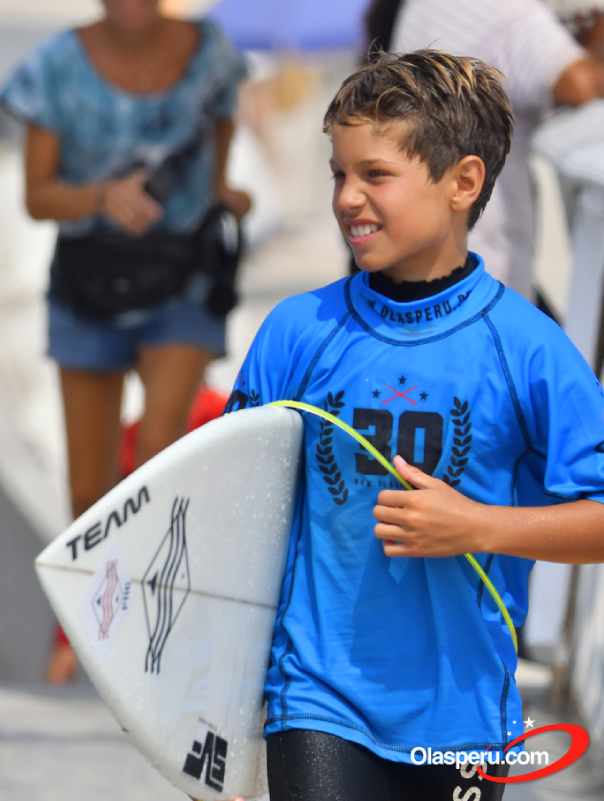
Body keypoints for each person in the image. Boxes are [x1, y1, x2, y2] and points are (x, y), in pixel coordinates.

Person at [224, 49, 604, 800]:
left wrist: (478, 526)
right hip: (316, 698)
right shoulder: (299, 331)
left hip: (461, 718)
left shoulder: (529, 351)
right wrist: (211, 717)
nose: (348, 198)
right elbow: (230, 514)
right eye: (339, 173)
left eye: (376, 175)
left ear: (463, 182)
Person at [0, 0, 251, 684]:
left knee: (163, 452)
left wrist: (224, 190)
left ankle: (153, 634)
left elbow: (221, 135)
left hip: (184, 274)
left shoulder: (211, 52)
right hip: (90, 281)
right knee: (89, 486)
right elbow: (37, 197)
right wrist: (101, 197)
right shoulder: (53, 66)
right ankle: (91, 623)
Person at [365, 0, 604, 303]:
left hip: (416, 259)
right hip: (475, 270)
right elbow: (579, 83)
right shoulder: (501, 8)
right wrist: (598, 41)